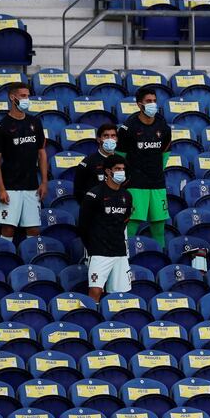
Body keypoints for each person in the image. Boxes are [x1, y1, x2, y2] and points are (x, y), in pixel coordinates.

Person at [0, 82, 48, 241]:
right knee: (8, 229)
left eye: (28, 96)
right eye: (23, 96)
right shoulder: (1, 126)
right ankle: (4, 263)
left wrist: (44, 181)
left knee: (34, 230)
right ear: (12, 97)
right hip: (10, 186)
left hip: (32, 186)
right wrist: (1, 189)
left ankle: (32, 264)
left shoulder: (35, 122)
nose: (26, 99)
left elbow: (42, 153)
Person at [116, 88, 172, 248]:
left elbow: (165, 154)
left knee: (159, 228)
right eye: (148, 101)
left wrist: (155, 172)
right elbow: (120, 157)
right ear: (139, 104)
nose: (152, 104)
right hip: (135, 184)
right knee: (131, 226)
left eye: (154, 101)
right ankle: (124, 261)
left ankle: (160, 261)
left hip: (157, 184)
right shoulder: (128, 128)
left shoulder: (164, 127)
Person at [79, 154, 133, 302]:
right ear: (108, 171)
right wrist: (92, 246)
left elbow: (125, 221)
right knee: (95, 291)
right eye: (117, 169)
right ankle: (92, 320)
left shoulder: (127, 196)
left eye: (123, 169)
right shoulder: (94, 194)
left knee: (121, 296)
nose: (121, 172)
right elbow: (83, 225)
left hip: (119, 252)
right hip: (99, 251)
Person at [74, 123, 118, 202]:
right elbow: (78, 191)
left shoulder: (122, 161)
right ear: (98, 139)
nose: (110, 139)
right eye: (106, 136)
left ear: (117, 139)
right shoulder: (87, 163)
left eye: (113, 136)